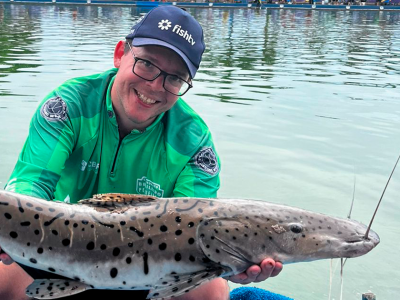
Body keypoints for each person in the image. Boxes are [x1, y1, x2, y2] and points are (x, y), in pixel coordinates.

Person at [0, 6, 282, 300]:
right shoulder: (69, 105)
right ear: (120, 53)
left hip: (152, 271)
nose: (154, 85)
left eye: (174, 78)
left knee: (210, 290)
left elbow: (197, 230)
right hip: (55, 250)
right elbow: (30, 185)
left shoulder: (195, 142)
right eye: (147, 63)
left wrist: (230, 260)